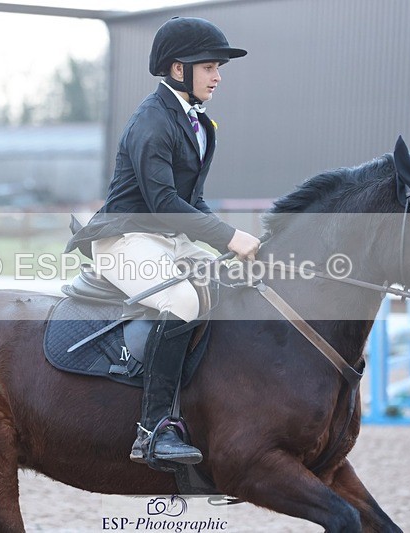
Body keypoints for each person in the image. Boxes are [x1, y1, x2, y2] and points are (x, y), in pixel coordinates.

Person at [65, 16, 260, 467]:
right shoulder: (151, 121)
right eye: (209, 66)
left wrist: (234, 247)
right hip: (122, 239)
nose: (218, 76)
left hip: (166, 236)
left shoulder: (200, 124)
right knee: (184, 302)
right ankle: (152, 431)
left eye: (218, 67)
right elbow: (164, 203)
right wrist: (230, 238)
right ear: (178, 70)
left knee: (233, 284)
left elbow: (192, 202)